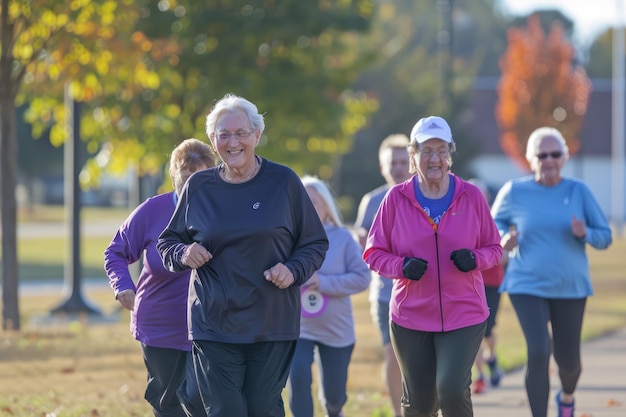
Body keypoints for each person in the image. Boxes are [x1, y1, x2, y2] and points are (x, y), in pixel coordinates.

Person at [157, 93, 329, 417]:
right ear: (213, 139)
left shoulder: (284, 182)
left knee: (263, 408)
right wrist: (184, 252)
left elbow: (315, 243)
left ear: (256, 136)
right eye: (224, 135)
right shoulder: (198, 187)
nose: (233, 142)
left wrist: (293, 270)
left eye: (241, 133)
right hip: (213, 322)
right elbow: (167, 243)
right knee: (225, 410)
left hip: (271, 321)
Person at [362, 115, 502, 417]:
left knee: (451, 390)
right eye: (426, 151)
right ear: (413, 156)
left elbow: (494, 248)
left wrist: (475, 259)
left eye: (441, 150)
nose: (434, 158)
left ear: (450, 154)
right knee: (420, 405)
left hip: (464, 313)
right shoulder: (395, 200)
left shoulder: (471, 197)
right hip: (410, 317)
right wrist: (401, 266)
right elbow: (373, 253)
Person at [491, 126, 612, 417]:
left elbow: (605, 236)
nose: (548, 160)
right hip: (525, 284)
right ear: (530, 159)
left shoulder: (578, 191)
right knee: (538, 350)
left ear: (565, 157)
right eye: (541, 154)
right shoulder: (515, 191)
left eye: (555, 154)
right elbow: (491, 223)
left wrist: (585, 234)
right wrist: (502, 239)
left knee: (569, 363)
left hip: (570, 286)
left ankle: (567, 398)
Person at [104, 138, 216, 417]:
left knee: (203, 402)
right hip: (159, 325)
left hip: (210, 324)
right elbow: (115, 252)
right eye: (186, 177)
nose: (192, 185)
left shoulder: (220, 212)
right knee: (166, 402)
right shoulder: (153, 210)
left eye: (200, 178)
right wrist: (123, 286)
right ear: (174, 176)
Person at [288, 176, 370, 417]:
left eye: (312, 201)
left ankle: (334, 410)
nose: (306, 207)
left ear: (326, 206)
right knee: (298, 375)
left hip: (337, 331)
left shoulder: (343, 238)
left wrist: (322, 282)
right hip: (298, 327)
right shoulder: (286, 238)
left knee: (334, 398)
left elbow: (362, 278)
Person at [353, 134, 411, 417]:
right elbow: (361, 242)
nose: (398, 168)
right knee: (392, 355)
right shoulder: (372, 200)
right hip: (385, 294)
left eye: (403, 162)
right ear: (382, 167)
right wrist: (362, 239)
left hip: (419, 292)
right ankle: (398, 412)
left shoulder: (423, 197)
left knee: (420, 360)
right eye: (393, 163)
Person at [466, 179, 506, 395]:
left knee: (488, 329)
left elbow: (503, 256)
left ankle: (492, 357)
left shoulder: (495, 220)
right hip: (470, 283)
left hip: (492, 282)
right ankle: (480, 376)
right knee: (475, 330)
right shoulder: (459, 219)